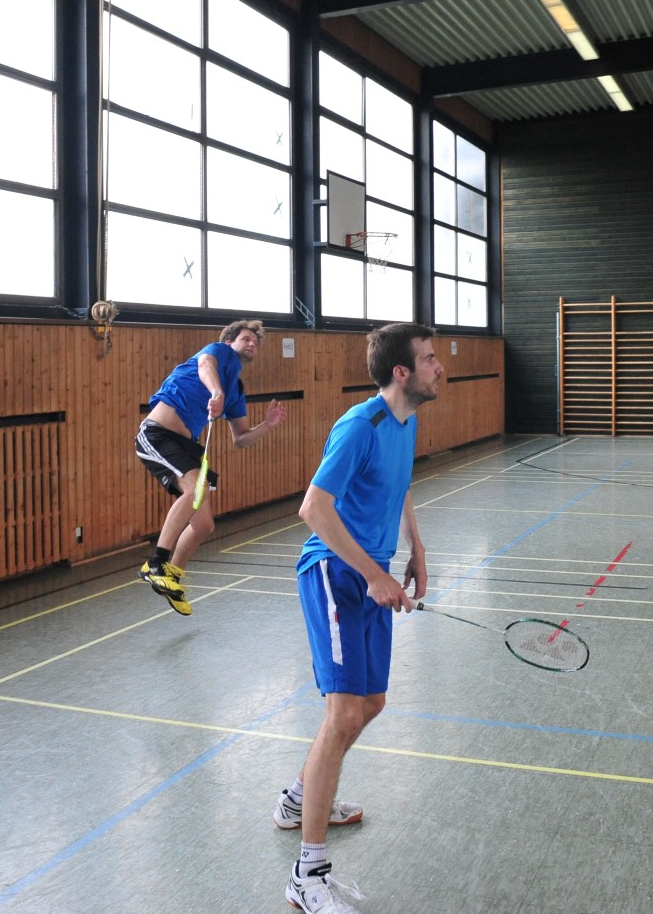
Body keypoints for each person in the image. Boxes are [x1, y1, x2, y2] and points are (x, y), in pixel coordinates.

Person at [278, 323, 442, 914]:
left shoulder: (406, 420)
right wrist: (373, 575)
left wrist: (415, 548)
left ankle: (300, 799)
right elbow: (313, 508)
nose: (439, 367)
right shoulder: (360, 426)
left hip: (372, 570)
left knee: (371, 703)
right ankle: (307, 875)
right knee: (344, 712)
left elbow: (399, 487)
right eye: (429, 359)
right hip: (334, 572)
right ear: (402, 372)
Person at [134, 319, 286, 615]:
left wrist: (267, 425)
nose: (252, 344)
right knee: (195, 490)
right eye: (246, 339)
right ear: (230, 342)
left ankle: (172, 577)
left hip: (185, 445)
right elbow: (205, 366)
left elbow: (240, 439)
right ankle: (156, 564)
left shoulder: (235, 389)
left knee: (203, 525)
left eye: (255, 342)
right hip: (157, 434)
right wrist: (216, 393)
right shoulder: (218, 352)